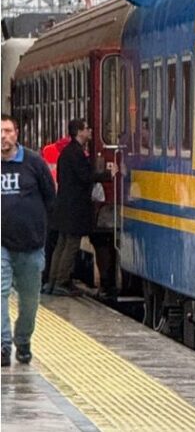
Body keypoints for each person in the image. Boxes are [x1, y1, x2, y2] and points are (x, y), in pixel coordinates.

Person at [2, 114, 56, 366]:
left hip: (31, 244)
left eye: (8, 131)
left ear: (17, 134)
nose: (3, 136)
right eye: (0, 131)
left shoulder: (34, 163)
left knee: (29, 301)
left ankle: (23, 340)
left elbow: (50, 195)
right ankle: (3, 346)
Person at [45, 119, 114, 296]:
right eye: (87, 128)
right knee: (71, 244)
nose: (90, 131)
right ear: (79, 132)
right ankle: (62, 282)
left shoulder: (68, 153)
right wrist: (107, 175)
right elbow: (85, 176)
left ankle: (52, 281)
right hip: (73, 209)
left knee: (62, 244)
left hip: (64, 206)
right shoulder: (75, 154)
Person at [39, 135, 70, 289]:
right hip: (63, 203)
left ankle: (46, 278)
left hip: (48, 202)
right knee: (61, 241)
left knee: (50, 242)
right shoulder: (76, 153)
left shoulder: (47, 150)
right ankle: (55, 279)